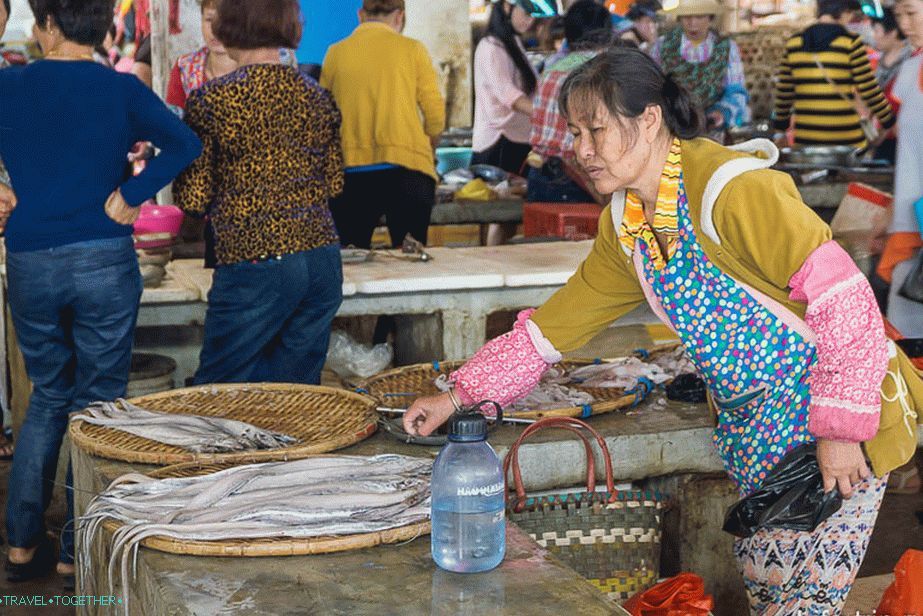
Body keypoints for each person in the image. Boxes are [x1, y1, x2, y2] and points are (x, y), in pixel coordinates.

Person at [403, 47, 918, 612]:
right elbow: (551, 328)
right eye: (575, 133)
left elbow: (847, 301)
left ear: (649, 119)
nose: (584, 151)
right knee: (774, 600)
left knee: (804, 607)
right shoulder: (628, 226)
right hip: (758, 441)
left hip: (840, 429)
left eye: (596, 130)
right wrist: (459, 395)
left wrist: (840, 432)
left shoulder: (735, 191)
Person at [0, 0, 200, 586]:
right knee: (96, 404)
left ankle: (19, 542)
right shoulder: (120, 91)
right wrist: (136, 193)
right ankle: (74, 547)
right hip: (104, 261)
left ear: (50, 27)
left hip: (32, 259)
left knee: (47, 396)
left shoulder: (10, 85)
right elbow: (185, 144)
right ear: (104, 28)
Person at [174, 0, 344, 386]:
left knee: (221, 392)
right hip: (321, 258)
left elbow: (194, 199)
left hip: (255, 259)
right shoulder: (317, 97)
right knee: (297, 394)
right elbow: (334, 183)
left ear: (230, 29)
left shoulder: (212, 101)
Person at [321, 0, 444, 249]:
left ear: (360, 15)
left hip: (351, 174)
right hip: (408, 170)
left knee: (352, 262)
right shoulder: (413, 50)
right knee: (410, 256)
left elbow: (323, 116)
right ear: (399, 17)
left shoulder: (335, 53)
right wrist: (430, 144)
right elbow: (435, 114)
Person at [877, 0, 923, 496]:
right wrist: (892, 219)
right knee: (907, 342)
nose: (902, 23)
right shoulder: (911, 68)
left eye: (911, 11)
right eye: (898, 13)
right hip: (912, 227)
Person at [773, 0, 895, 149]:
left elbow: (784, 93)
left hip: (807, 139)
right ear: (842, 12)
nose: (850, 18)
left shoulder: (794, 43)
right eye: (850, 12)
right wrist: (889, 120)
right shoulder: (851, 42)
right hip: (847, 140)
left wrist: (780, 128)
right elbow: (868, 89)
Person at [527, 0, 612, 204]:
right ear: (608, 34)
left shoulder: (550, 71)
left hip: (539, 175)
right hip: (578, 180)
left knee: (545, 236)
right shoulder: (602, 73)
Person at [651, 0, 750, 137]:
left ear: (710, 18)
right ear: (679, 18)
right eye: (687, 17)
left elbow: (736, 91)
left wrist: (722, 112)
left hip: (712, 131)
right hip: (672, 130)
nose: (693, 23)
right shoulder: (662, 46)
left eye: (699, 17)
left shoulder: (726, 48)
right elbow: (652, 87)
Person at [472, 0, 538, 175]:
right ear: (507, 7)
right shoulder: (491, 47)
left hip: (517, 141)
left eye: (533, 16)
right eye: (527, 14)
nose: (530, 21)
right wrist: (544, 114)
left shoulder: (513, 43)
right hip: (498, 145)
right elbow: (509, 95)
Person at [871, 6, 912, 163]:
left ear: (893, 32)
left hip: (903, 136)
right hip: (882, 136)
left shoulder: (911, 59)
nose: (874, 36)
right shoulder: (878, 61)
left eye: (877, 31)